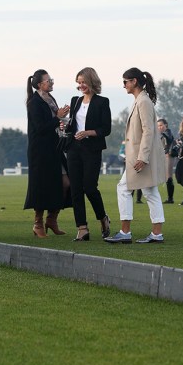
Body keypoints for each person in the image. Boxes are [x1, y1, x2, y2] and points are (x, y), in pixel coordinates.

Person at [105, 68, 166, 243]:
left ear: (134, 82)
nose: (123, 85)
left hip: (140, 157)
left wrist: (143, 157)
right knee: (149, 191)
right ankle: (155, 233)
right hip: (139, 156)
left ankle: (126, 232)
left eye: (125, 81)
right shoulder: (140, 100)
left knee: (125, 188)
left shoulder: (143, 101)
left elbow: (148, 131)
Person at [65, 67, 112, 241]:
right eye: (78, 83)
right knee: (75, 189)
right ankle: (82, 228)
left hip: (92, 150)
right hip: (73, 149)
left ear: (91, 81)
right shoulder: (75, 101)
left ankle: (103, 218)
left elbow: (106, 129)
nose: (81, 86)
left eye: (83, 82)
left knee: (90, 188)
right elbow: (72, 126)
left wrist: (88, 133)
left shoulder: (102, 102)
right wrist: (64, 125)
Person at [25, 69, 70, 237]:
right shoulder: (34, 102)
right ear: (39, 84)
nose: (51, 83)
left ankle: (52, 219)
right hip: (40, 152)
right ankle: (38, 223)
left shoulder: (50, 99)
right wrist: (57, 117)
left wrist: (62, 120)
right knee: (42, 186)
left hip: (55, 148)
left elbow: (52, 124)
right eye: (48, 80)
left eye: (51, 80)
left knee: (65, 183)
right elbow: (40, 128)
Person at [157, 118, 176, 204]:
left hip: (168, 156)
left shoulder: (167, 132)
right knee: (166, 177)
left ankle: (170, 199)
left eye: (161, 125)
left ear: (166, 125)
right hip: (163, 156)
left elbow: (168, 138)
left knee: (169, 177)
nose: (159, 127)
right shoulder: (161, 134)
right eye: (158, 126)